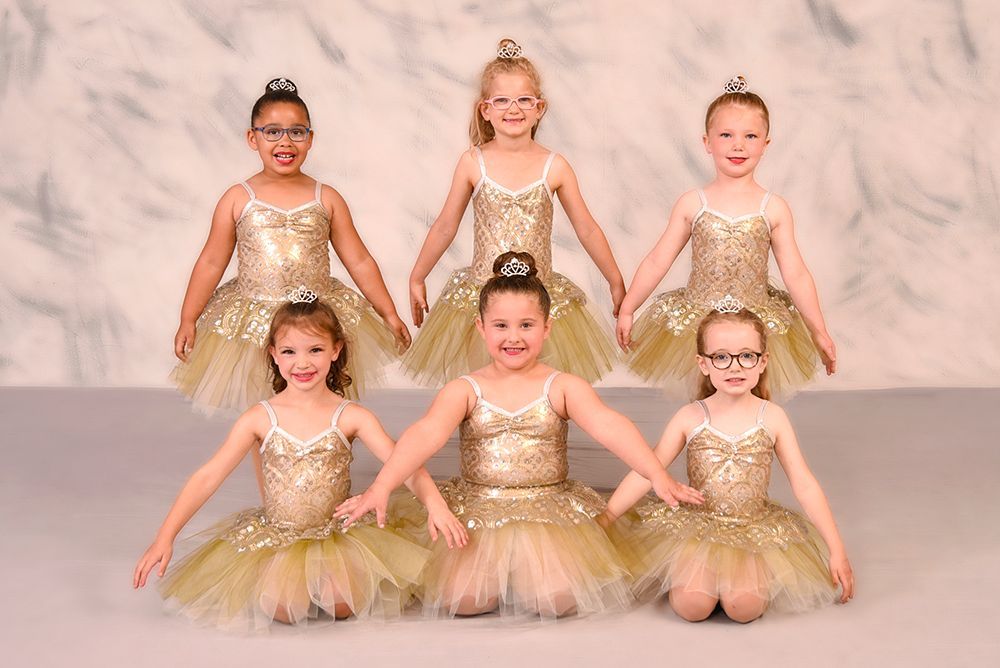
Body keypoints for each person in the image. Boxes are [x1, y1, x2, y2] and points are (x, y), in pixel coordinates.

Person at [339, 253, 703, 619]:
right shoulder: (465, 388)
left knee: (558, 600)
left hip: (547, 507)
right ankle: (491, 568)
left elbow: (609, 425)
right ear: (481, 327)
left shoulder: (562, 385)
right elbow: (425, 434)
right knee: (461, 600)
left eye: (526, 325)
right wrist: (382, 485)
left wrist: (656, 473)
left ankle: (535, 569)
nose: (514, 337)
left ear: (547, 328)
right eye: (501, 326)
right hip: (479, 505)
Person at [135, 295, 465, 630]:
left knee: (343, 603)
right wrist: (165, 536)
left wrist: (435, 505)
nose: (302, 363)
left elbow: (404, 463)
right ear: (274, 354)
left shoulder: (351, 415)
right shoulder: (259, 418)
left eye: (315, 350)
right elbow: (209, 475)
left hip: (338, 533)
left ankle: (334, 576)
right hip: (283, 532)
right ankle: (283, 574)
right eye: (290, 352)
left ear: (336, 350)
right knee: (283, 608)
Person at [602, 307, 853, 623]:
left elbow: (803, 483)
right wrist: (608, 517)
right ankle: (696, 574)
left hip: (750, 527)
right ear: (703, 364)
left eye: (746, 356)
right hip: (699, 526)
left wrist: (836, 548)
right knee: (692, 607)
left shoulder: (772, 417)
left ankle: (741, 575)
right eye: (721, 357)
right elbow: (646, 471)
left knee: (743, 609)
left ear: (763, 361)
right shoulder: (690, 417)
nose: (735, 366)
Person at [172, 77, 409, 412]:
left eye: (296, 132)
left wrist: (388, 312)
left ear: (310, 139)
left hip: (315, 316)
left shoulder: (326, 198)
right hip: (258, 318)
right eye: (272, 131)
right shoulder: (238, 198)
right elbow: (211, 262)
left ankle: (324, 456)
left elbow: (359, 260)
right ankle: (268, 463)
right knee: (264, 405)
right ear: (252, 138)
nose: (285, 141)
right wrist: (188, 317)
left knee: (321, 395)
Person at [403, 39, 624, 386]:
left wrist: (614, 279)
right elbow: (446, 226)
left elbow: (587, 229)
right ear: (485, 109)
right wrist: (418, 276)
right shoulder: (472, 162)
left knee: (534, 378)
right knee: (488, 378)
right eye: (502, 100)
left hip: (536, 294)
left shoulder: (555, 166)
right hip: (485, 292)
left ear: (539, 108)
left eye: (524, 100)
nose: (513, 109)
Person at [618, 75, 836, 398]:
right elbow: (656, 260)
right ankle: (706, 446)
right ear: (707, 142)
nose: (738, 145)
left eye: (750, 136)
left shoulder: (773, 208)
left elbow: (796, 273)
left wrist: (819, 331)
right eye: (726, 135)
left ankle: (754, 446)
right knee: (707, 393)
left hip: (754, 321)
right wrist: (628, 307)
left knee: (755, 393)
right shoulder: (693, 203)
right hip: (702, 317)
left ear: (766, 143)